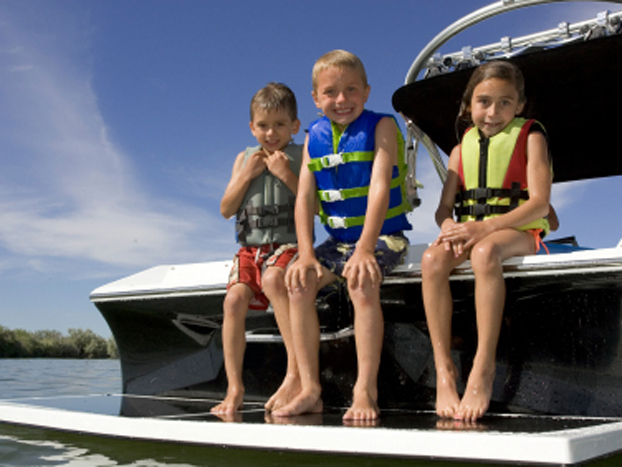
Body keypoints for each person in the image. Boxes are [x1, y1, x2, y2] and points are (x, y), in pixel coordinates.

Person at [273, 50, 412, 421]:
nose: (341, 100)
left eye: (351, 90)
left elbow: (380, 187)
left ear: (366, 92)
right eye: (330, 92)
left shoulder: (382, 127)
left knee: (361, 282)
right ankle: (310, 389)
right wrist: (305, 254)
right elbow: (304, 197)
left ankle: (365, 390)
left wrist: (365, 248)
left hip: (383, 236)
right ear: (316, 99)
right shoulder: (314, 138)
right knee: (298, 282)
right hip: (337, 243)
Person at [421, 61, 553, 422]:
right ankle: (445, 370)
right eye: (483, 102)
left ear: (520, 106)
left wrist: (486, 228)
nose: (493, 112)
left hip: (519, 231)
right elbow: (443, 209)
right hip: (473, 229)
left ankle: (483, 365)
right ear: (469, 106)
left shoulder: (532, 136)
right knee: (431, 261)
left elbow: (539, 202)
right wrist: (449, 225)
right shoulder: (459, 151)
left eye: (505, 103)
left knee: (484, 252)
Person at [213, 82, 303, 414]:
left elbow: (317, 207)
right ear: (252, 127)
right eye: (263, 125)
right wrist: (246, 175)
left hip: (288, 245)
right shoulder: (243, 159)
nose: (271, 132)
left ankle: (296, 373)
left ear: (294, 126)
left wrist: (285, 175)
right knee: (233, 300)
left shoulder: (301, 155)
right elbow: (225, 209)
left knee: (275, 281)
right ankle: (234, 388)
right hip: (250, 251)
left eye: (280, 124)